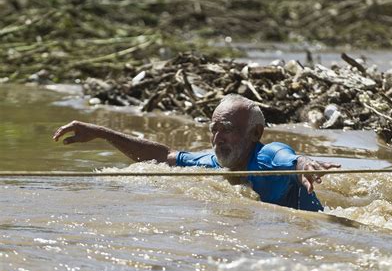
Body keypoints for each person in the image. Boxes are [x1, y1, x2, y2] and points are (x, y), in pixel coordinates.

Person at [53, 94, 340, 211]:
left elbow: (289, 157)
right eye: (213, 128)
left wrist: (304, 163)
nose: (217, 137)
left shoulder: (268, 155)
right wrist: (102, 133)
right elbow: (163, 156)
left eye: (226, 128)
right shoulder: (212, 162)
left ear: (255, 133)